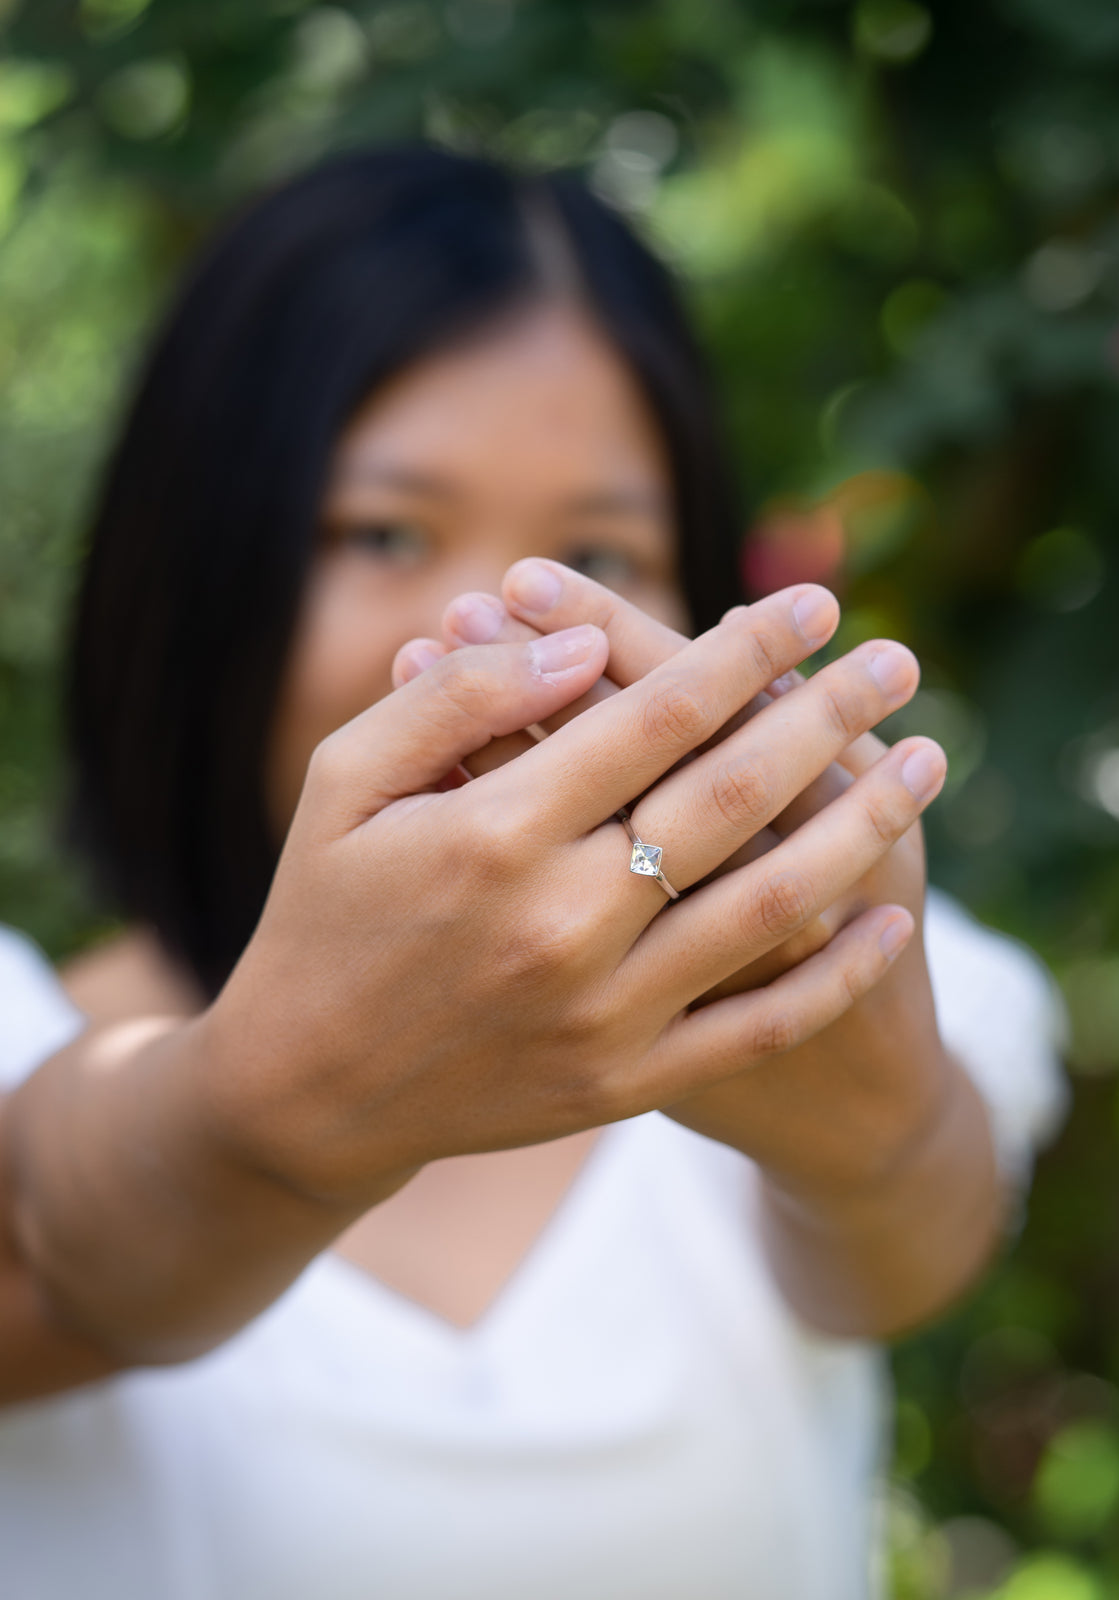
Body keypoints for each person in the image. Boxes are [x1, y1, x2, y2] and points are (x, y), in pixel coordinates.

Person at [0, 146, 1065, 1598]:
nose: (499, 640)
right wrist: (292, 1096)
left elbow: (904, 1245)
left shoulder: (838, 972)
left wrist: (865, 1111)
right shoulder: (25, 1038)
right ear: (199, 572)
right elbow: (61, 1246)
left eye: (599, 553)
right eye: (383, 533)